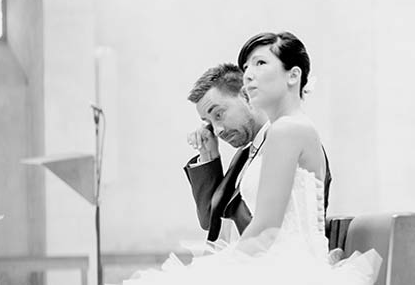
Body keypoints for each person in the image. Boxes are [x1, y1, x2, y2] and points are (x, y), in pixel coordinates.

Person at [122, 32, 380, 285]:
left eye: (260, 63)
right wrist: (209, 156)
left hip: (286, 268)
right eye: (247, 66)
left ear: (293, 75)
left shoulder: (286, 130)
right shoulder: (264, 143)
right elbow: (215, 221)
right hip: (270, 259)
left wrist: (211, 270)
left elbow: (267, 231)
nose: (249, 74)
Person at [184, 63, 332, 242]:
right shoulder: (243, 156)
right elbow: (211, 222)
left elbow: (278, 225)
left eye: (218, 114)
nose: (217, 130)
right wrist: (208, 156)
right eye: (208, 122)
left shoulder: (290, 142)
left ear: (247, 96)